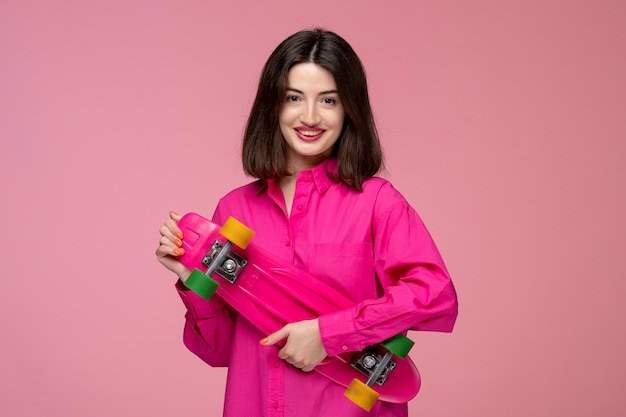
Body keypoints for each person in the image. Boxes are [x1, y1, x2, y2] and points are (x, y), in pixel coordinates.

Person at [156, 28, 458, 417]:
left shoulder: (377, 203)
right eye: (294, 98)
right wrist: (192, 280)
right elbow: (217, 352)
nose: (310, 117)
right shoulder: (235, 209)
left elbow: (434, 294)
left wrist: (328, 334)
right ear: (273, 106)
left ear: (349, 109)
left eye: (328, 100)